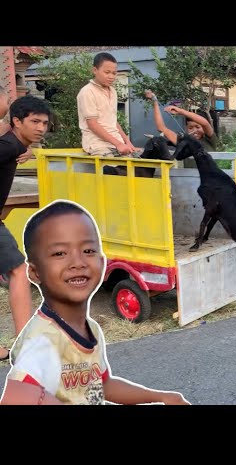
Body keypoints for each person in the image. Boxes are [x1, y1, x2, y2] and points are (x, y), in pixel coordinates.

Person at [0, 200, 191, 405]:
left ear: (102, 261)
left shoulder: (90, 329)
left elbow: (102, 386)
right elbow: (16, 398)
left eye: (88, 251)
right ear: (35, 272)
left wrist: (160, 397)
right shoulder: (42, 342)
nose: (78, 262)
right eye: (59, 253)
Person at [0, 93, 49, 362]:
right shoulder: (8, 146)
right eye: (34, 121)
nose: (41, 127)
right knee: (18, 270)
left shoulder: (14, 145)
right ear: (17, 121)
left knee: (17, 270)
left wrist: (28, 149)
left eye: (44, 122)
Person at [77, 52, 141, 158]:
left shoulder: (112, 91)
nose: (111, 76)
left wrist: (126, 142)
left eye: (114, 73)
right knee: (113, 172)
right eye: (107, 72)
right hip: (98, 145)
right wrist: (119, 144)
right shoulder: (87, 92)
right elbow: (92, 124)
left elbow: (112, 120)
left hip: (117, 144)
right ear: (95, 70)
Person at [144, 90, 216, 152]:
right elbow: (161, 128)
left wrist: (180, 111)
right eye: (190, 128)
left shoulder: (210, 140)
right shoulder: (183, 142)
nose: (195, 130)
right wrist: (154, 100)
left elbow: (205, 123)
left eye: (197, 127)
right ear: (186, 128)